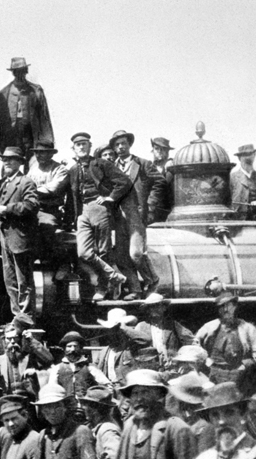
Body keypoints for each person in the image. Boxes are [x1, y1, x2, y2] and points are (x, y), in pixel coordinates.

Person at [67, 132, 131, 301]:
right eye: (77, 145)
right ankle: (114, 276)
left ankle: (102, 288)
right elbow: (71, 196)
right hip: (83, 211)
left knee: (103, 251)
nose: (81, 147)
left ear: (89, 146)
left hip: (100, 208)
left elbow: (124, 181)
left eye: (84, 144)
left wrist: (110, 197)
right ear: (73, 149)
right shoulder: (73, 170)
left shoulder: (101, 163)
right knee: (84, 253)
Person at [109, 130, 164, 298]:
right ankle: (135, 289)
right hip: (118, 216)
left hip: (136, 215)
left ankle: (152, 280)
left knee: (136, 253)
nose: (120, 147)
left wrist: (150, 205)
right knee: (121, 257)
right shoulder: (110, 167)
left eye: (123, 143)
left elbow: (159, 181)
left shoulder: (143, 164)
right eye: (117, 144)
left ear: (129, 144)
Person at [0, 147, 40, 317]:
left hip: (20, 238)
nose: (7, 162)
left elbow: (31, 205)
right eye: (4, 159)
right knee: (10, 280)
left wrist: (7, 209)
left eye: (12, 159)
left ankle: (26, 316)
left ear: (20, 162)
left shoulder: (26, 182)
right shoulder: (5, 183)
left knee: (23, 281)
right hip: (5, 238)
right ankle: (17, 316)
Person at [195, 292, 256, 390]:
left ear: (235, 306)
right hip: (215, 373)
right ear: (218, 309)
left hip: (238, 374)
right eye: (222, 306)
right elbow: (194, 343)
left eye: (229, 305)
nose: (226, 310)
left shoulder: (247, 328)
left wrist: (245, 365)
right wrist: (205, 359)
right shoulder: (209, 327)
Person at [0, 57, 53, 160]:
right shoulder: (3, 94)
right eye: (17, 72)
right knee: (10, 168)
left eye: (22, 71)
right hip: (10, 140)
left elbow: (44, 119)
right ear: (13, 73)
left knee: (33, 167)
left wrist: (48, 144)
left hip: (32, 138)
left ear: (26, 71)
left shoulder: (36, 91)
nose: (20, 74)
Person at [25, 140, 71, 283]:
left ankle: (63, 262)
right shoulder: (33, 168)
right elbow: (25, 184)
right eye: (37, 152)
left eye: (43, 152)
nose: (39, 155)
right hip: (32, 209)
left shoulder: (60, 169)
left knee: (48, 227)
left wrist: (30, 192)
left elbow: (52, 189)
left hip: (50, 210)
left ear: (51, 154)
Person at [0, 321, 53, 397]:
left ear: (20, 339)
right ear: (4, 340)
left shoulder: (30, 357)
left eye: (15, 338)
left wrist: (31, 340)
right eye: (9, 339)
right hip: (8, 402)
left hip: (28, 401)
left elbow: (49, 360)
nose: (12, 342)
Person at [134, 293, 196, 368]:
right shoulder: (141, 326)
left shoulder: (173, 324)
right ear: (148, 310)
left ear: (164, 308)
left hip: (170, 365)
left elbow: (191, 340)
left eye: (157, 306)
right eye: (151, 307)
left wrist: (182, 358)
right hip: (149, 365)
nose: (154, 309)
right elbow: (133, 347)